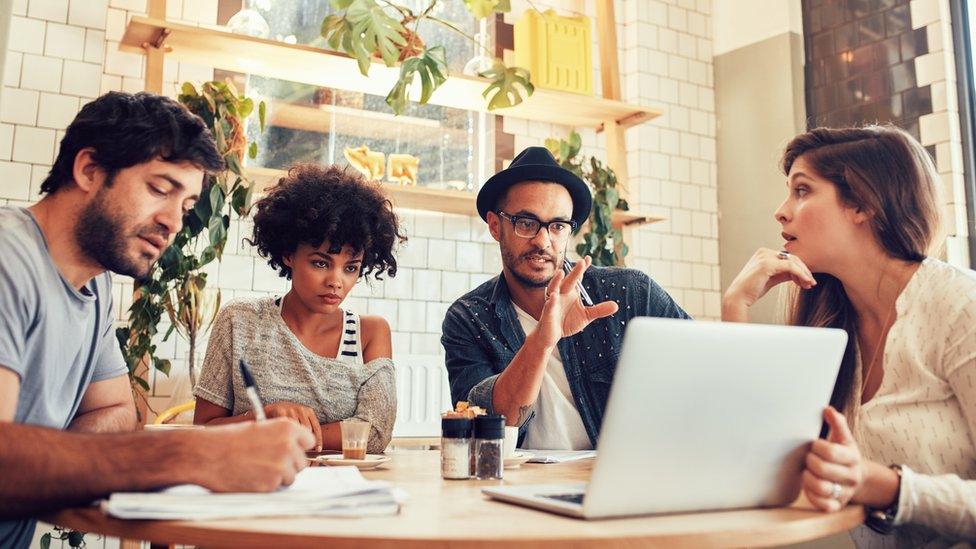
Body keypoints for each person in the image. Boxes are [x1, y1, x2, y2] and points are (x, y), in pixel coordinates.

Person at [0, 92, 313, 549]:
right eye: (160, 189)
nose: (172, 222)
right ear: (89, 170)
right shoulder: (9, 258)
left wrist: (43, 459)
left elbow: (116, 412)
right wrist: (192, 454)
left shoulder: (94, 287)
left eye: (186, 207)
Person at [722, 125, 976, 545]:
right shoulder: (831, 324)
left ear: (862, 204)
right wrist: (736, 306)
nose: (781, 211)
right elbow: (753, 458)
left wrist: (887, 487)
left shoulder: (961, 307)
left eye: (802, 190)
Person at [442, 146, 689, 451]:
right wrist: (542, 341)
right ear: (496, 226)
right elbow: (486, 429)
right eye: (526, 223)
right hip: (515, 485)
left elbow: (703, 373)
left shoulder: (631, 294)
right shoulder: (469, 317)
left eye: (558, 226)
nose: (543, 241)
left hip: (614, 479)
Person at [193, 164, 404, 454]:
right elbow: (204, 429)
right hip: (255, 483)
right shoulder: (239, 320)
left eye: (351, 268)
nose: (336, 282)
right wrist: (263, 418)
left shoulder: (370, 333)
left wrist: (289, 432)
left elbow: (376, 432)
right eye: (321, 263)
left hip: (344, 490)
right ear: (288, 254)